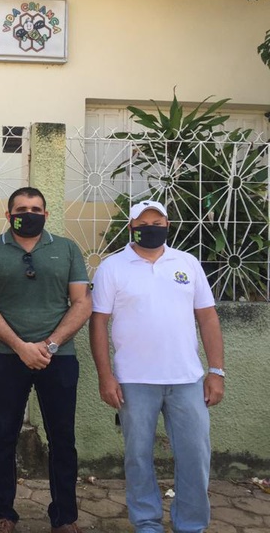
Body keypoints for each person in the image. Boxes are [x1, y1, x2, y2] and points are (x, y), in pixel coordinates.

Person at [89, 199, 225, 533]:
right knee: (137, 457)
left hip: (187, 379)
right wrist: (106, 376)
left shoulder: (187, 263)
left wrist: (216, 371)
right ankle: (147, 523)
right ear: (132, 227)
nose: (151, 229)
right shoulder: (112, 267)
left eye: (158, 223)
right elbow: (98, 323)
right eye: (144, 224)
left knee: (195, 456)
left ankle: (190, 524)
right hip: (134, 381)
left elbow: (208, 318)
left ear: (168, 225)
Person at [0, 187, 92, 533]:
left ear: (46, 215)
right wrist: (20, 346)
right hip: (6, 357)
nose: (29, 214)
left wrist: (49, 345)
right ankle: (4, 514)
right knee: (3, 437)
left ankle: (64, 517)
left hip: (59, 358)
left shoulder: (67, 249)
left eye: (36, 209)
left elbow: (82, 303)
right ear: (8, 215)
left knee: (62, 439)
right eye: (22, 209)